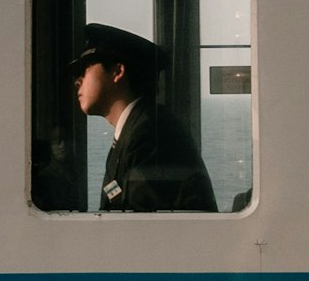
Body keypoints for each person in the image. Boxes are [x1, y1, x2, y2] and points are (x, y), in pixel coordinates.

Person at [69, 22, 214, 212]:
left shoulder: (151, 136)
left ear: (117, 72)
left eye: (86, 69)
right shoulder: (135, 132)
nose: (77, 81)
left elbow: (141, 228)